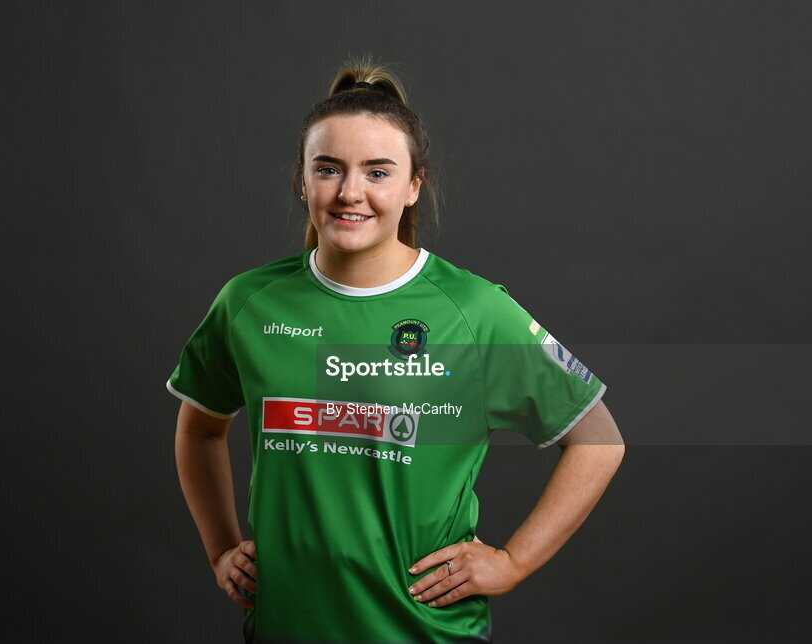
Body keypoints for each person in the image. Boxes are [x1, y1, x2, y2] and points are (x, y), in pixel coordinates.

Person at [167, 55, 625, 644]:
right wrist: (220, 549)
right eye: (328, 169)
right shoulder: (248, 303)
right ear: (302, 180)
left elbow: (598, 442)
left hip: (425, 633)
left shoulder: (473, 311)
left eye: (378, 172)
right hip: (284, 627)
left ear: (414, 186)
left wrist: (514, 562)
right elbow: (199, 429)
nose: (350, 192)